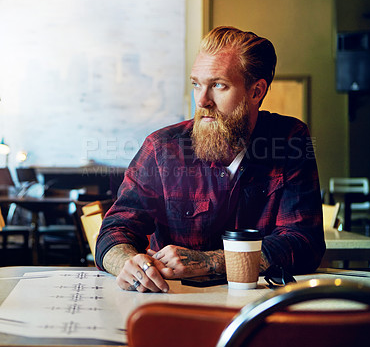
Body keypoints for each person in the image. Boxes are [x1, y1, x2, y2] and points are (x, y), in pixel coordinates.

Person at [95, 26, 325, 293]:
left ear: (256, 91)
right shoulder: (162, 149)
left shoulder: (289, 140)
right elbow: (114, 232)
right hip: (175, 305)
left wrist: (210, 262)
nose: (202, 100)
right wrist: (127, 263)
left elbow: (304, 243)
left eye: (218, 85)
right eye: (196, 84)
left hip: (259, 307)